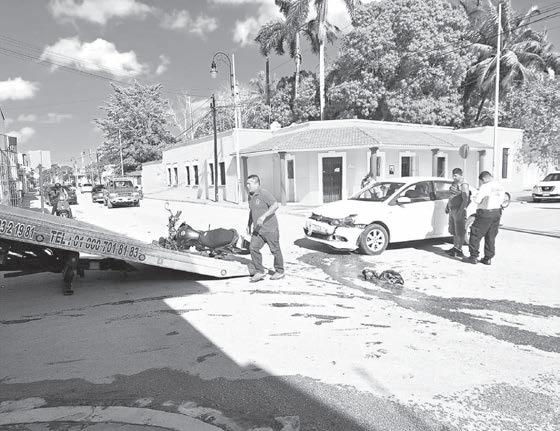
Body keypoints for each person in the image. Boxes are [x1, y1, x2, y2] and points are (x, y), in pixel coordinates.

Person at [246, 175, 284, 282]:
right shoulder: (250, 196)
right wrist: (248, 224)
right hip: (258, 230)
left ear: (256, 184)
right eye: (247, 183)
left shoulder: (264, 193)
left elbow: (275, 205)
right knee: (253, 248)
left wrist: (263, 216)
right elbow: (252, 211)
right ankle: (260, 271)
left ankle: (280, 271)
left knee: (275, 250)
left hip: (270, 229)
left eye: (249, 183)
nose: (247, 186)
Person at [463, 171, 506, 265]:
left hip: (485, 213)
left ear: (484, 179)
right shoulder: (500, 186)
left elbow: (478, 200)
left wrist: (474, 197)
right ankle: (488, 258)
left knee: (475, 234)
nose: (481, 183)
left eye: (481, 181)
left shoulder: (485, 186)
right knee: (490, 236)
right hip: (496, 212)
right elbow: (502, 200)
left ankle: (473, 257)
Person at [445, 168, 470, 257]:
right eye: (453, 175)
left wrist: (460, 211)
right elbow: (451, 195)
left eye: (456, 175)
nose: (454, 177)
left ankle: (459, 249)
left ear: (460, 175)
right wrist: (447, 206)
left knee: (460, 231)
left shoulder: (463, 185)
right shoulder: (454, 183)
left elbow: (466, 199)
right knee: (454, 230)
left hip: (459, 210)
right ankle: (455, 247)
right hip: (452, 209)